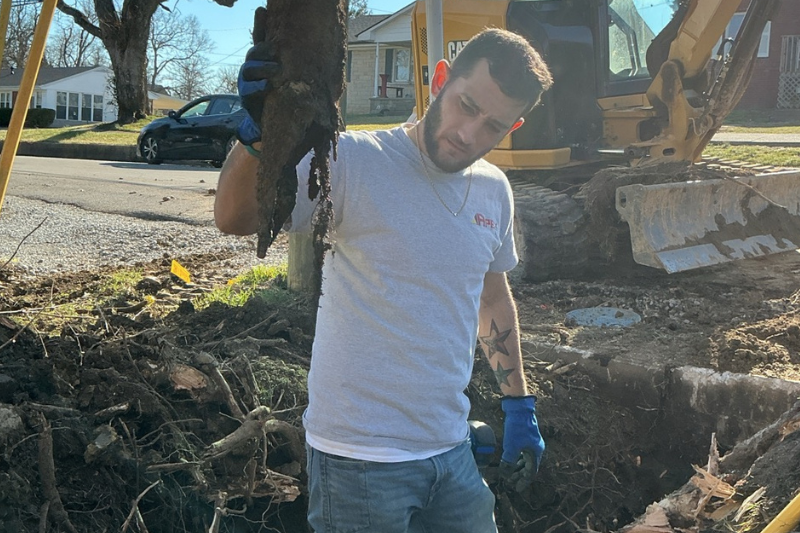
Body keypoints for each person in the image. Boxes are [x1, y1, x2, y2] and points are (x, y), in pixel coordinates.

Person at [215, 25, 553, 533]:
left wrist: (518, 402)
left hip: (452, 450)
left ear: (515, 126)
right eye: (466, 106)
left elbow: (491, 296)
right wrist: (258, 133)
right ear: (440, 79)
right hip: (358, 460)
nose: (469, 135)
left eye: (494, 126)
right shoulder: (355, 162)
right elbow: (235, 217)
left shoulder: (493, 190)